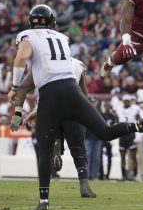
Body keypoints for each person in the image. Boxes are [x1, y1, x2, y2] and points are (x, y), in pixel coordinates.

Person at [7, 4, 143, 210]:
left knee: (44, 151)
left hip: (50, 95)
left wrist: (14, 87)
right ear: (52, 22)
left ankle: (44, 202)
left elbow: (22, 57)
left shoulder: (27, 35)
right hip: (73, 91)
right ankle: (138, 125)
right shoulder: (62, 38)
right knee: (105, 132)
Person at [10, 57, 96, 197]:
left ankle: (56, 144)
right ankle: (84, 185)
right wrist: (86, 115)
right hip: (73, 104)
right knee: (78, 149)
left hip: (48, 107)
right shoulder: (77, 64)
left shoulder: (44, 63)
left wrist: (19, 112)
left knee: (45, 149)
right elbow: (84, 93)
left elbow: (24, 87)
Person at [114, 94, 140, 180]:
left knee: (133, 156)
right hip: (122, 134)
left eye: (128, 101)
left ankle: (135, 175)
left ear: (130, 101)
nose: (126, 102)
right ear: (123, 101)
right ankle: (123, 175)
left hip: (131, 135)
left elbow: (139, 122)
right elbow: (117, 122)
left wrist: (138, 135)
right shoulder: (119, 109)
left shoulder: (135, 109)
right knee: (122, 156)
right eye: (125, 101)